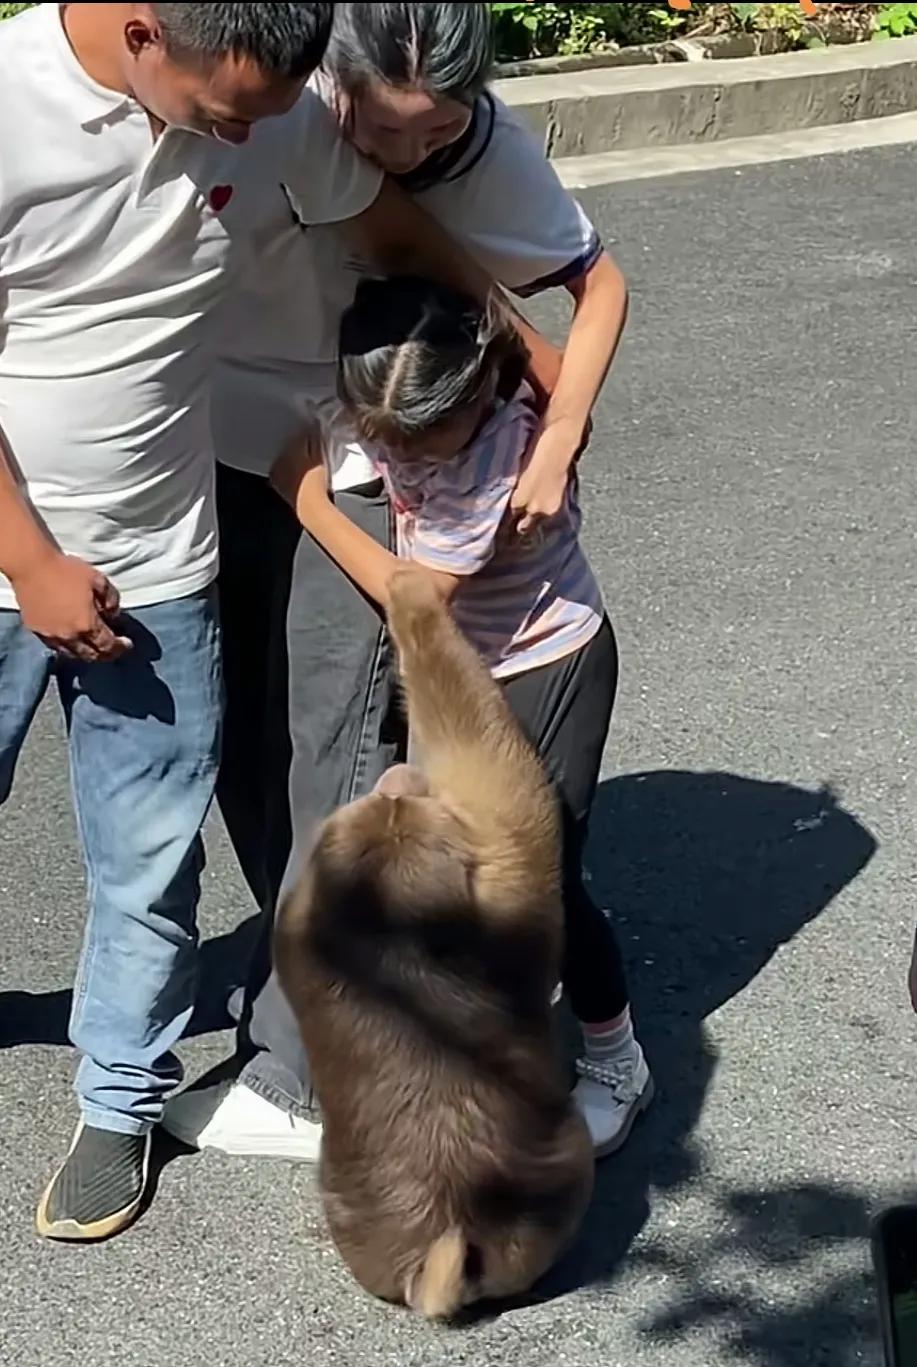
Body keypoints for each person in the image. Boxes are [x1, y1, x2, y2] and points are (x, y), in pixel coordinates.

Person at [0, 1, 509, 1243]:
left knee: (149, 857)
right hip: (15, 557)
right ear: (137, 32)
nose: (249, 133)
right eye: (227, 108)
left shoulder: (264, 110)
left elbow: (381, 221)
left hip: (162, 563)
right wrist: (34, 563)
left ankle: (119, 1098)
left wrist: (533, 354)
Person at [162, 0, 631, 1161]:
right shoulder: (279, 94)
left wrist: (560, 424)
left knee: (362, 765)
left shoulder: (464, 452)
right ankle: (334, 996)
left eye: (434, 136)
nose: (405, 159)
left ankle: (309, 1066)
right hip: (271, 433)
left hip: (373, 458)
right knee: (264, 741)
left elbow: (583, 285)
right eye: (386, 130)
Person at [272, 274, 654, 1157]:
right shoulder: (409, 399)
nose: (404, 452)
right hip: (467, 672)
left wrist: (306, 501)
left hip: (544, 663)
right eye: (382, 433)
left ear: (479, 391)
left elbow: (418, 598)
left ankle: (614, 1058)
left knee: (538, 880)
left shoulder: (495, 452)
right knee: (453, 874)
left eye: (422, 440)